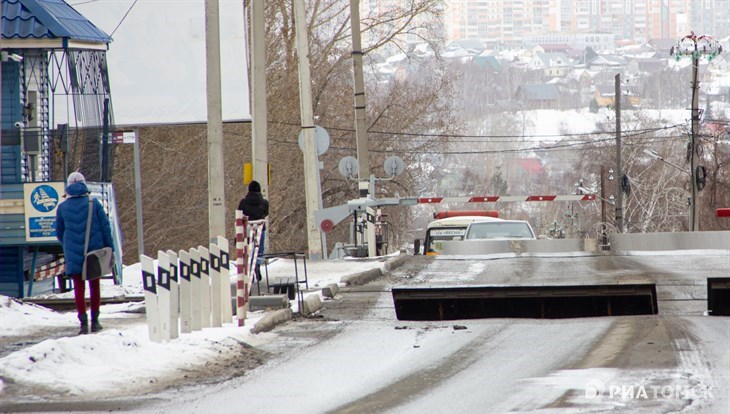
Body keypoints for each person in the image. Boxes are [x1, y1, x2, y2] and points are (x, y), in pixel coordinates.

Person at [56, 172, 114, 334]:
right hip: (93, 251)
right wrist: (110, 248)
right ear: (84, 184)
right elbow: (105, 228)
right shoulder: (93, 204)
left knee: (78, 287)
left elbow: (59, 232)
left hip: (73, 252)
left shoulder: (62, 207)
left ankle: (83, 323)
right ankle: (95, 321)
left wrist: (68, 246)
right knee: (94, 285)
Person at [237, 180, 269, 280]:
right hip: (260, 228)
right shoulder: (264, 202)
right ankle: (257, 264)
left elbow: (239, 213)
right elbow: (266, 213)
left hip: (247, 229)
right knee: (260, 248)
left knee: (248, 249)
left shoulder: (243, 202)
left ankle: (249, 267)